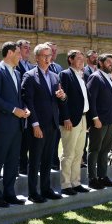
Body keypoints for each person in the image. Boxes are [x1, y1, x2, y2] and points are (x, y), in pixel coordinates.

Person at [0, 41, 30, 208]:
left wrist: (24, 108)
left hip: (17, 125)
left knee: (13, 160)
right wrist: (14, 110)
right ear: (11, 53)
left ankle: (9, 193)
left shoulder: (17, 73)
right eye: (18, 53)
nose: (21, 57)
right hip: (3, 124)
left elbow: (19, 97)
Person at [22, 43, 65, 203]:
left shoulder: (55, 76)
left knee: (47, 159)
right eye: (44, 56)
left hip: (52, 125)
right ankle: (33, 192)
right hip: (38, 126)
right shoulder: (29, 75)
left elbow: (59, 101)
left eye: (49, 56)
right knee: (35, 160)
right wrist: (35, 125)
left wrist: (63, 96)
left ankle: (46, 189)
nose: (48, 59)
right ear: (37, 57)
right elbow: (28, 101)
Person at [58, 50, 91, 195]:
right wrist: (66, 117)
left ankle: (76, 182)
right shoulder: (65, 74)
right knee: (69, 153)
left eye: (82, 59)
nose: (81, 61)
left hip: (83, 118)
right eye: (78, 58)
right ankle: (66, 184)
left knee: (79, 154)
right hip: (70, 120)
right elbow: (62, 98)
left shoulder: (82, 76)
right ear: (70, 60)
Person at [87, 53, 112, 190]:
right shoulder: (95, 77)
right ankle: (92, 178)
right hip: (99, 121)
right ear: (100, 63)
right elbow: (91, 100)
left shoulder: (110, 78)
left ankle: (103, 176)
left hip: (110, 120)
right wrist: (95, 118)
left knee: (105, 150)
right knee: (94, 150)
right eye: (108, 62)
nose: (111, 64)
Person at [16, 39, 34, 175]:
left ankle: (26, 163)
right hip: (20, 106)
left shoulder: (31, 66)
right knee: (20, 138)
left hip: (31, 106)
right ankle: (21, 165)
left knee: (28, 137)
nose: (28, 50)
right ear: (19, 49)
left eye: (29, 48)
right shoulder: (16, 66)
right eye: (25, 48)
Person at [44, 42, 63, 171]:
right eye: (52, 50)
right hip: (44, 111)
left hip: (57, 110)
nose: (54, 53)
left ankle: (54, 161)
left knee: (56, 139)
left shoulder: (58, 68)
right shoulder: (37, 69)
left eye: (55, 51)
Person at [82, 50, 99, 167]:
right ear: (87, 59)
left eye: (96, 57)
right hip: (87, 108)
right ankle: (82, 159)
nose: (95, 59)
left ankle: (93, 159)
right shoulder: (84, 71)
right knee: (84, 137)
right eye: (93, 57)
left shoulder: (99, 71)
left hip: (98, 108)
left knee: (96, 136)